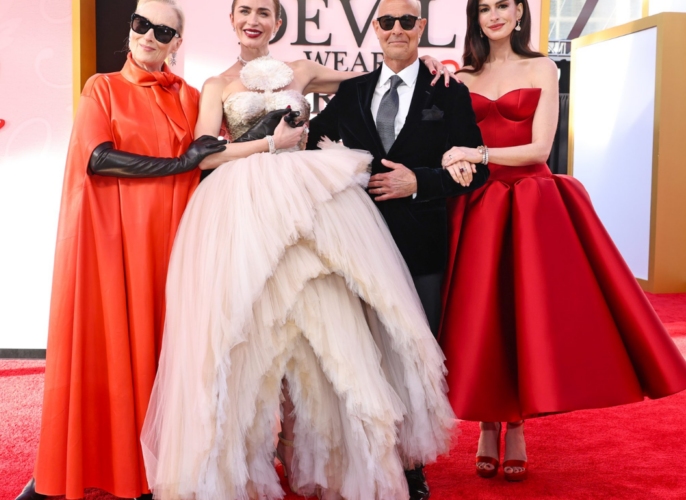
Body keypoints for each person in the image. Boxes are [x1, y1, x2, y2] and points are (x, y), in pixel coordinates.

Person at [139, 1, 459, 499]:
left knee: (318, 328)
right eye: (245, 11)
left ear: (277, 23)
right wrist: (270, 145)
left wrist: (421, 62)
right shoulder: (217, 84)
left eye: (264, 12)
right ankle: (240, 461)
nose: (254, 20)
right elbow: (205, 155)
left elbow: (374, 81)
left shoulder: (302, 70)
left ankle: (312, 454)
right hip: (243, 210)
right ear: (231, 20)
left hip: (307, 207)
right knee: (249, 334)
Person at [438, 0, 686, 483]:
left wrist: (476, 152)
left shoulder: (543, 68)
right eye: (484, 8)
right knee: (483, 317)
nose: (494, 15)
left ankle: (516, 426)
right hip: (477, 206)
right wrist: (458, 157)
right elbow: (445, 144)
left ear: (519, 12)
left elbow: (540, 148)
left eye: (503, 5)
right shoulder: (461, 78)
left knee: (527, 316)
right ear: (476, 18)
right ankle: (488, 424)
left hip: (530, 203)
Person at [14, 2, 228, 499]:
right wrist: (181, 163)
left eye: (163, 31)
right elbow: (98, 158)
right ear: (131, 28)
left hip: (173, 244)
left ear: (177, 43)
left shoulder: (193, 97)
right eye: (141, 24)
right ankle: (85, 467)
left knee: (167, 350)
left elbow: (217, 154)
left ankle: (158, 470)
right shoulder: (102, 87)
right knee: (107, 349)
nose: (149, 36)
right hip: (115, 243)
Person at [304, 1, 489, 498]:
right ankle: (365, 461)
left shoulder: (448, 92)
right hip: (354, 248)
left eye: (407, 21)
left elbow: (478, 168)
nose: (397, 29)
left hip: (419, 248)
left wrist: (420, 182)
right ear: (375, 29)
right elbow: (312, 146)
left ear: (421, 27)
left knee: (411, 360)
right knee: (360, 357)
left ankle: (410, 466)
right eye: (387, 22)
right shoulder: (352, 91)